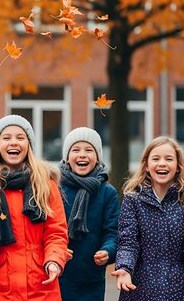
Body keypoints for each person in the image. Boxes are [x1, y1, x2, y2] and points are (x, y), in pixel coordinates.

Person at [0, 114, 68, 301]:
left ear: (29, 145)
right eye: (6, 138)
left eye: (20, 138)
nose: (13, 143)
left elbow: (56, 231)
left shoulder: (46, 183)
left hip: (41, 283)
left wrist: (54, 260)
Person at [111, 136, 184, 300]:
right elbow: (128, 241)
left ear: (178, 166)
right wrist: (124, 268)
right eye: (156, 158)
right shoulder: (133, 199)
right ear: (146, 166)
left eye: (169, 159)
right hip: (141, 285)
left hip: (181, 286)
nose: (162, 163)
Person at [57, 127, 120, 301]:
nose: (82, 155)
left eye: (89, 150)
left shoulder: (107, 193)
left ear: (97, 158)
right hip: (57, 274)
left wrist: (108, 251)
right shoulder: (55, 188)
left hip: (91, 278)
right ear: (67, 158)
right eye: (76, 150)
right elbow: (47, 228)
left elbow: (113, 232)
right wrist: (55, 251)